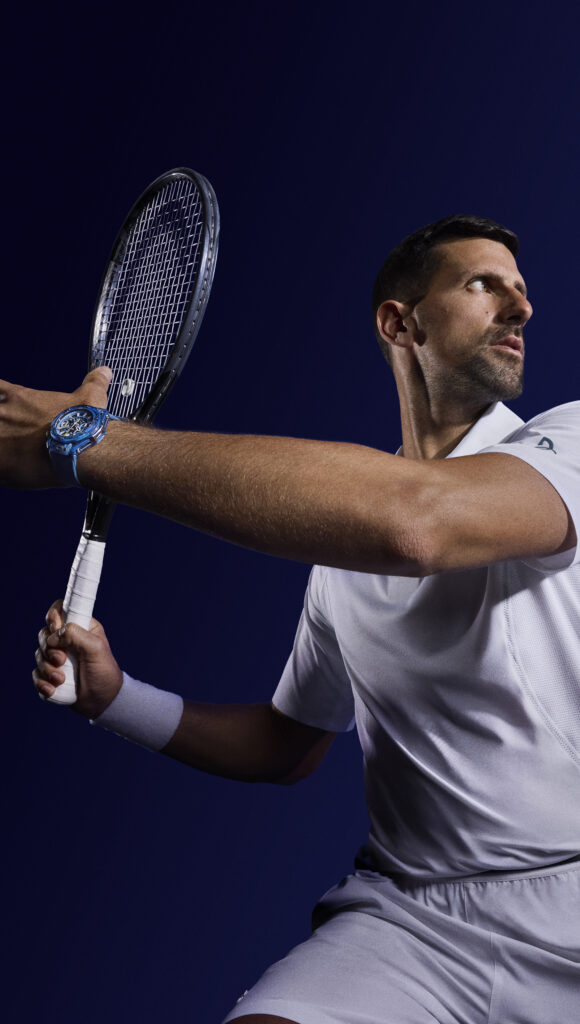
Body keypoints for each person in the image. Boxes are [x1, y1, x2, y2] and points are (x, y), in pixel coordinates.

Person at [1, 214, 579, 1023]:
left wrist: (83, 443)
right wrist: (115, 697)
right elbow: (285, 744)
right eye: (484, 285)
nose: (520, 307)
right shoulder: (342, 558)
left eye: (520, 291)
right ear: (400, 323)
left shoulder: (568, 440)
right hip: (413, 921)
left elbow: (416, 523)